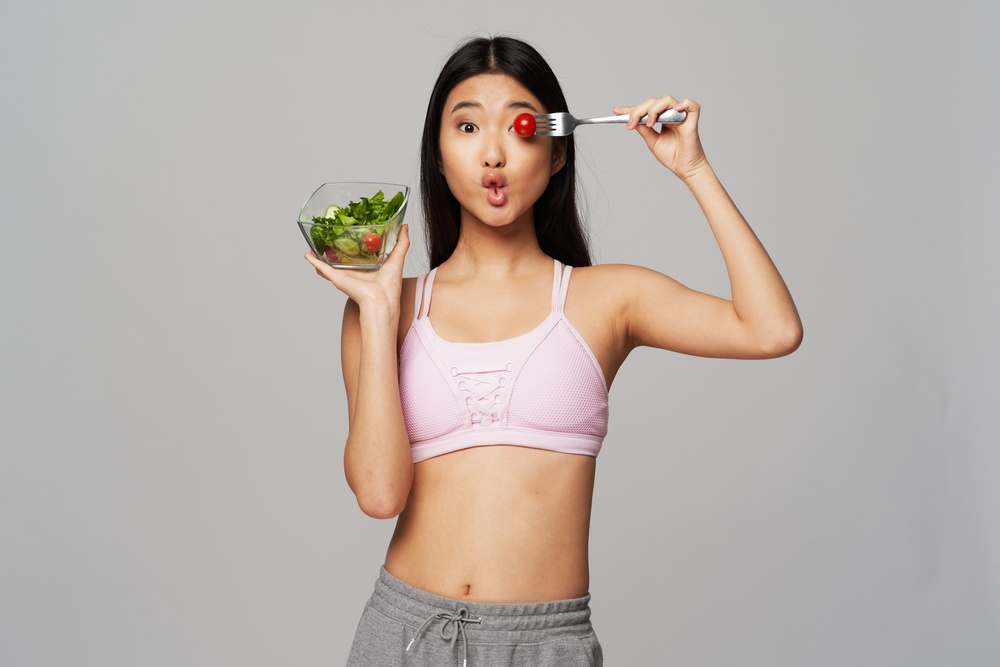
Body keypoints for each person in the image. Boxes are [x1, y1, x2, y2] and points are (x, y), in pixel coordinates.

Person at [306, 35, 801, 667]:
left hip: (547, 643)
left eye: (518, 127)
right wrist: (377, 311)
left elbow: (772, 330)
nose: (493, 153)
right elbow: (379, 496)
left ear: (558, 150)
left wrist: (694, 171)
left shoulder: (607, 299)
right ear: (437, 154)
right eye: (465, 126)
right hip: (403, 632)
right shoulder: (382, 309)